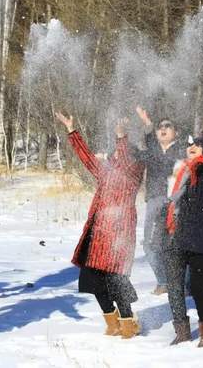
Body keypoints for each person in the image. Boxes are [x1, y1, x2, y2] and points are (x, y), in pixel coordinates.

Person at [55, 112, 144, 339]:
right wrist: (71, 129)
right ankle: (112, 321)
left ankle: (128, 324)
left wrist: (121, 136)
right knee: (93, 280)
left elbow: (124, 157)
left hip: (119, 234)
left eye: (117, 153)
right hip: (98, 234)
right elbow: (86, 158)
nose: (113, 156)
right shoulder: (106, 174)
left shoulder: (134, 170)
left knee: (116, 279)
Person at [163, 110, 203, 348]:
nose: (192, 147)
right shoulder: (180, 174)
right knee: (174, 287)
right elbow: (170, 206)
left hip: (200, 240)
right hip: (177, 238)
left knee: (198, 287)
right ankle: (181, 330)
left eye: (197, 145)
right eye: (190, 144)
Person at [134, 106, 185, 295]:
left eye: (168, 126)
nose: (163, 129)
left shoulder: (183, 150)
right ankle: (163, 281)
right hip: (155, 201)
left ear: (176, 132)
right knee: (149, 243)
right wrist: (147, 123)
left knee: (176, 244)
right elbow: (146, 144)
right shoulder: (153, 150)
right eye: (160, 127)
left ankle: (182, 284)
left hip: (176, 202)